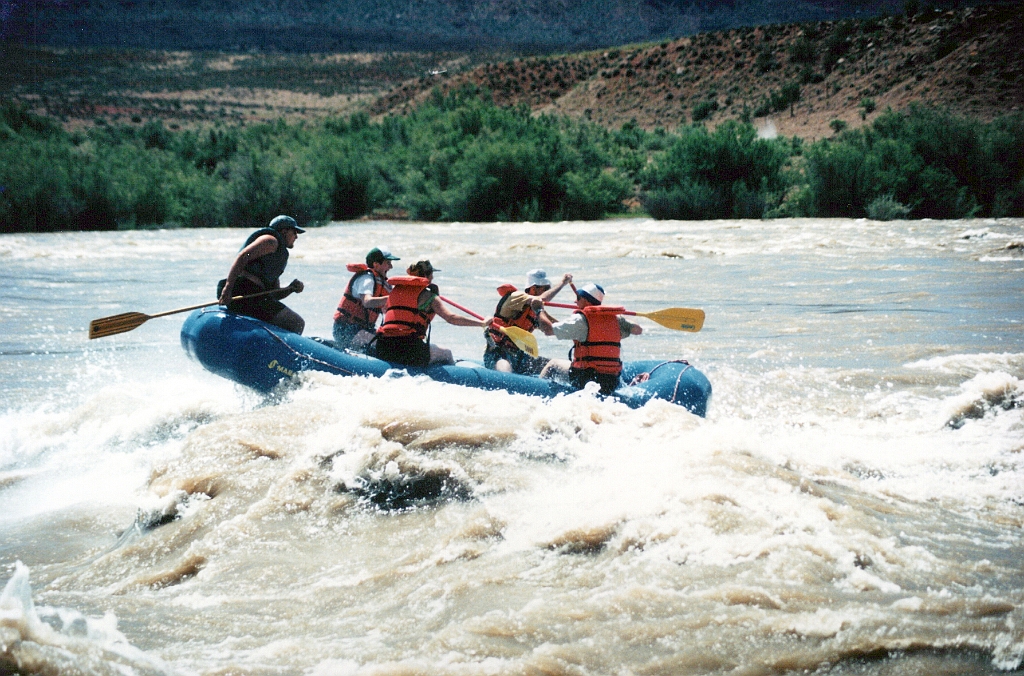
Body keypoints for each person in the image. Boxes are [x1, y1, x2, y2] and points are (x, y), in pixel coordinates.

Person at [373, 260, 490, 367]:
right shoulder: (430, 296)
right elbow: (451, 318)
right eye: (432, 275)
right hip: (409, 351)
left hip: (384, 347)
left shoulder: (395, 292)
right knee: (447, 353)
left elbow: (387, 312)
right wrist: (482, 323)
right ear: (427, 276)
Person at [217, 215, 306, 334]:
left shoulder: (277, 256)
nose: (296, 236)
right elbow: (243, 257)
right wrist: (227, 289)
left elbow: (274, 294)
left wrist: (291, 288)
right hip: (241, 292)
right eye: (294, 232)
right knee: (296, 323)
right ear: (284, 231)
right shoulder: (270, 241)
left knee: (293, 322)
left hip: (254, 297)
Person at [550, 282, 642, 396]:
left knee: (553, 365)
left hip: (584, 378)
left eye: (578, 298)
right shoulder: (616, 320)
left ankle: (543, 392)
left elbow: (548, 330)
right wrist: (619, 316)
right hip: (610, 381)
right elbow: (638, 330)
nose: (575, 301)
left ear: (586, 301)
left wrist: (538, 310)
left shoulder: (580, 320)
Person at [483, 269, 573, 377]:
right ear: (534, 289)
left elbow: (556, 328)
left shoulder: (536, 311)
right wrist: (563, 282)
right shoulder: (516, 296)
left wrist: (578, 329)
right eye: (546, 289)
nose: (549, 292)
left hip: (520, 357)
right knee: (505, 369)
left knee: (554, 366)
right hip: (498, 355)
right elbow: (542, 298)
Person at [332, 247, 400, 351]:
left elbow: (387, 311)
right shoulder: (366, 279)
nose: (391, 266)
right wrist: (391, 298)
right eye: (388, 262)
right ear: (376, 264)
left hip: (364, 329)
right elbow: (367, 302)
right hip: (346, 329)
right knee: (385, 347)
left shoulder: (383, 284)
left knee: (391, 342)